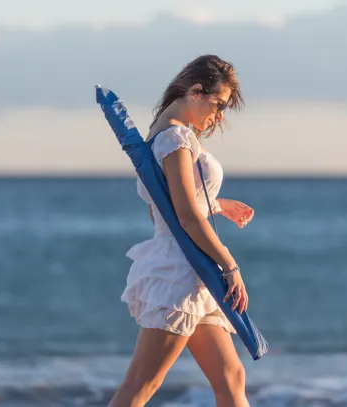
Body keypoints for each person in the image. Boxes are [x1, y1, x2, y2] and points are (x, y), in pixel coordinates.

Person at [108, 55, 256, 407]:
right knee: (141, 386)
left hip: (194, 273)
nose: (218, 116)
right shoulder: (176, 137)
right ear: (195, 90)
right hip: (181, 274)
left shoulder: (165, 135)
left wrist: (219, 204)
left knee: (231, 377)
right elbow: (187, 217)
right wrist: (230, 265)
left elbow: (165, 206)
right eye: (218, 105)